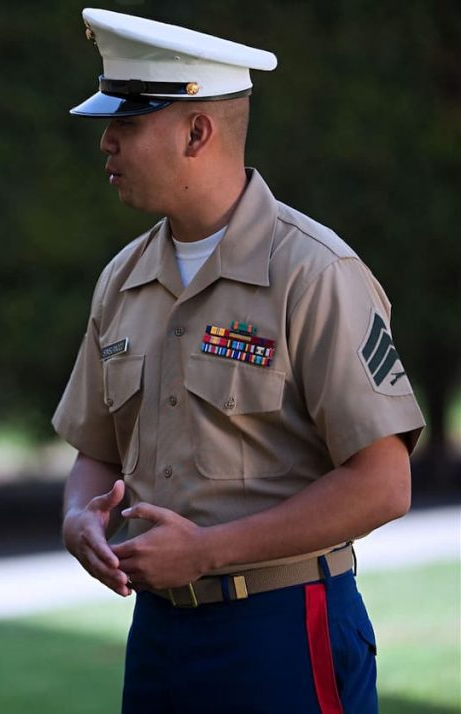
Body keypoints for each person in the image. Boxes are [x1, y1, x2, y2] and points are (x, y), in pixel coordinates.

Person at [55, 9, 425, 713]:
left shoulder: (315, 272)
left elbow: (384, 485)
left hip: (284, 625)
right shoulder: (122, 278)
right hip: (160, 632)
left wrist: (210, 551)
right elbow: (96, 454)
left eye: (126, 124)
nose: (105, 142)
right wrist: (79, 518)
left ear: (198, 131)